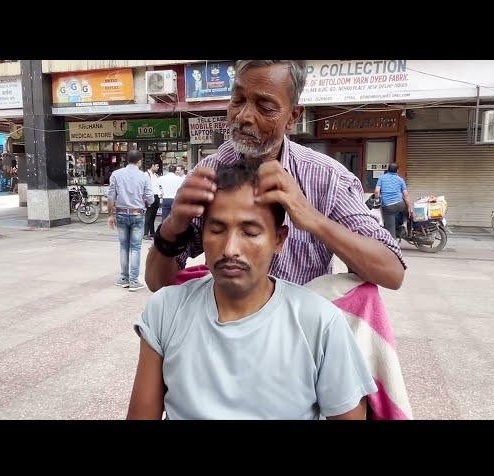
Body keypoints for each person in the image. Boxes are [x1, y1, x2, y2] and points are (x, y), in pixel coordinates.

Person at [126, 162, 377, 420]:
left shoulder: (320, 323)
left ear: (278, 239)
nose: (230, 249)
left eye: (250, 232)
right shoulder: (166, 310)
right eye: (217, 230)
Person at [145, 60, 406, 292]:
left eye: (265, 107)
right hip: (227, 335)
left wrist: (313, 219)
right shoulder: (208, 175)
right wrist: (173, 226)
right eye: (237, 100)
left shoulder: (328, 179)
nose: (244, 117)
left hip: (301, 339)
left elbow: (392, 272)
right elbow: (159, 284)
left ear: (292, 116)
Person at [107, 150, 153, 292]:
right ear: (139, 161)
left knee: (123, 247)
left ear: (127, 160)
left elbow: (111, 196)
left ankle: (123, 278)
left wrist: (110, 215)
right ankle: (133, 281)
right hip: (137, 215)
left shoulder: (116, 174)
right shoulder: (144, 177)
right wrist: (146, 202)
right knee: (135, 248)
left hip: (120, 214)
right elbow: (150, 198)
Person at [374, 163, 412, 239]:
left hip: (388, 207)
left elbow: (377, 192)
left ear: (388, 169)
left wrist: (377, 200)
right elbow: (406, 195)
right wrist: (409, 207)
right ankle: (404, 223)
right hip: (400, 204)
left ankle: (393, 243)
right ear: (397, 170)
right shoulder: (400, 179)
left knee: (391, 230)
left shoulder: (382, 178)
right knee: (407, 210)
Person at [144, 163, 161, 239]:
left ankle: (152, 232)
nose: (158, 168)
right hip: (149, 196)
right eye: (157, 166)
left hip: (156, 196)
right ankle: (145, 233)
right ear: (152, 165)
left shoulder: (156, 175)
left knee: (153, 216)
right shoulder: (146, 175)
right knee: (148, 215)